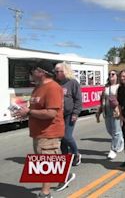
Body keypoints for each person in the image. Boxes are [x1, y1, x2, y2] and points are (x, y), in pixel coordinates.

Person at [15, 60, 75, 197]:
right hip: (38, 132)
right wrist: (24, 112)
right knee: (48, 161)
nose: (31, 72)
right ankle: (64, 176)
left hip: (49, 132)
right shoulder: (37, 87)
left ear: (42, 72)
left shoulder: (53, 88)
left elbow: (51, 113)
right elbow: (35, 108)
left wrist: (29, 112)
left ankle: (45, 193)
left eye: (34, 69)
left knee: (45, 163)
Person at [54, 63, 82, 166]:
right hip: (58, 114)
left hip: (70, 114)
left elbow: (78, 99)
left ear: (65, 71)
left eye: (58, 71)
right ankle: (65, 157)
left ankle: (76, 153)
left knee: (67, 136)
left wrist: (76, 113)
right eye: (55, 71)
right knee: (61, 137)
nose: (56, 73)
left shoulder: (73, 83)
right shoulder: (56, 83)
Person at [96, 70, 124, 159]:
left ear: (117, 76)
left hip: (116, 111)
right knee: (110, 130)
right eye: (109, 74)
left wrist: (120, 110)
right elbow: (102, 100)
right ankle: (120, 140)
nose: (111, 75)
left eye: (113, 74)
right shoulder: (106, 87)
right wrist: (99, 111)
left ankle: (113, 149)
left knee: (116, 131)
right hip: (106, 110)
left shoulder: (120, 87)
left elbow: (123, 99)